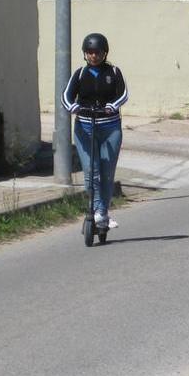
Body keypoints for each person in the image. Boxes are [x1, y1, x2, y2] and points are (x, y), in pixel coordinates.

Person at [61, 33, 128, 230]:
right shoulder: (80, 74)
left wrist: (112, 106)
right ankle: (97, 210)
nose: (93, 56)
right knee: (91, 171)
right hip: (85, 127)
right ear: (84, 54)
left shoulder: (114, 72)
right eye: (89, 52)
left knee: (107, 173)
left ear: (104, 52)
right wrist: (72, 107)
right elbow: (66, 96)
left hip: (110, 128)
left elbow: (123, 94)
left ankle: (102, 212)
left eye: (97, 52)